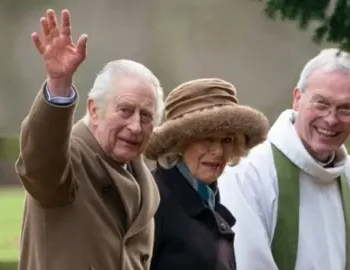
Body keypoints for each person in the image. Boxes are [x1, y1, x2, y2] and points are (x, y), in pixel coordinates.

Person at [14, 9, 164, 270]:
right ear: (94, 110)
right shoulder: (68, 162)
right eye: (125, 110)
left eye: (147, 116)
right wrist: (58, 86)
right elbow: (39, 163)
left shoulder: (143, 180)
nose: (136, 126)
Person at [218, 48, 350, 270]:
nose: (331, 119)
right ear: (297, 99)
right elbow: (248, 263)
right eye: (321, 103)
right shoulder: (249, 171)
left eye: (345, 109)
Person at [143, 78, 269, 270]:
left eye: (227, 140)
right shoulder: (153, 202)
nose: (218, 151)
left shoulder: (208, 200)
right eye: (206, 139)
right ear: (179, 143)